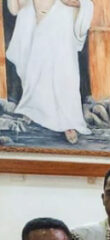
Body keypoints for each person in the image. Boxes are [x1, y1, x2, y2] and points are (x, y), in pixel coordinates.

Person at [5, 0, 94, 143]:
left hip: (61, 23)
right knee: (34, 72)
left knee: (64, 74)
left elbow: (83, 3)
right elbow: (15, 9)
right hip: (35, 25)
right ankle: (33, 110)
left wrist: (79, 4)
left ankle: (68, 123)